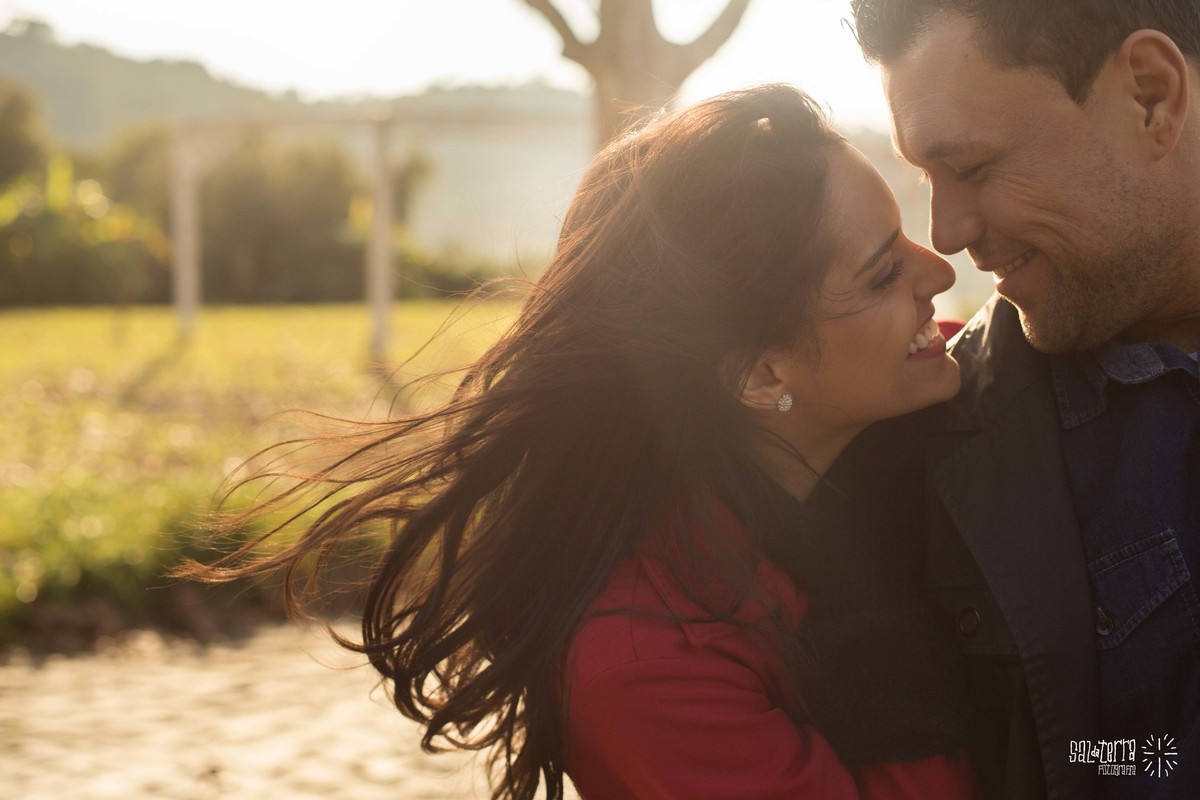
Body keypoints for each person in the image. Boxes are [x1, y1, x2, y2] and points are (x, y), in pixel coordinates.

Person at [188, 85, 979, 799]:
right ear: (759, 373)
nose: (939, 272)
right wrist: (871, 591)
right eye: (881, 275)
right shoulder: (645, 656)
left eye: (903, 237)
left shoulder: (919, 408)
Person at [847, 2, 1200, 799]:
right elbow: (1066, 761)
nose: (945, 232)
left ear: (1151, 95)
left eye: (968, 168)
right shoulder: (942, 442)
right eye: (924, 177)